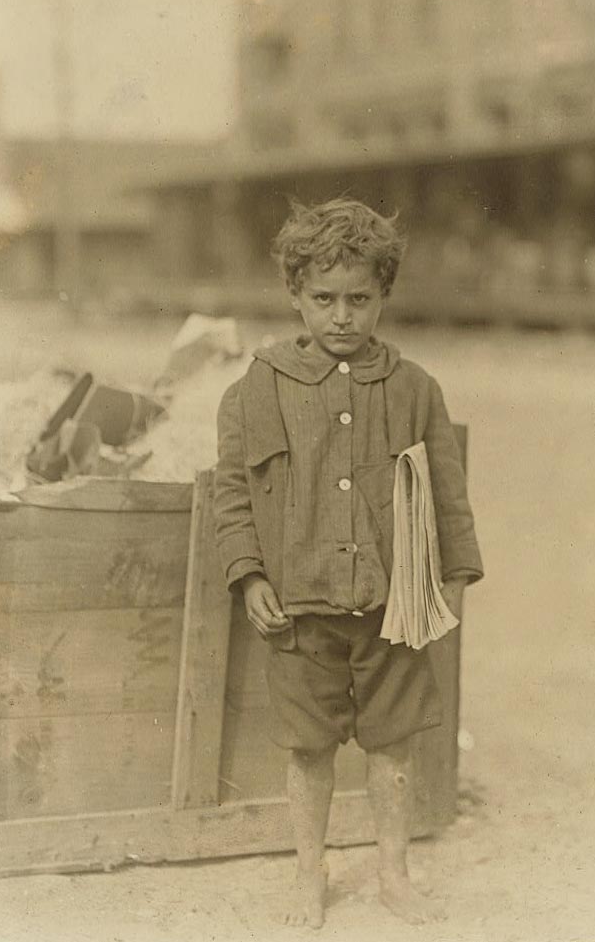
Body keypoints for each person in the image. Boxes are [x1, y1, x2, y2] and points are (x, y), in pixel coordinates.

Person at [213, 198, 483, 929]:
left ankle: (394, 873)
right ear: (295, 294)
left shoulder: (416, 388)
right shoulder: (256, 389)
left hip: (393, 607)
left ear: (384, 295)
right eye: (324, 298)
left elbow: (449, 494)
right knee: (308, 748)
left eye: (359, 299)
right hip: (299, 611)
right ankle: (310, 873)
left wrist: (452, 578)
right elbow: (233, 493)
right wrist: (249, 573)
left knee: (393, 745)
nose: (341, 316)